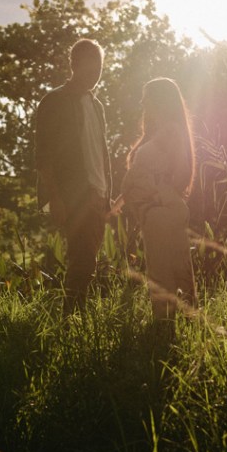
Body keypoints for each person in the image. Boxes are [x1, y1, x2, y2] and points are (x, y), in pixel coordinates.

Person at [113, 78, 197, 340]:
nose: (142, 102)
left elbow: (181, 171)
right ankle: (175, 328)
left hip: (162, 213)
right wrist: (119, 204)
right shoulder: (157, 132)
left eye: (146, 96)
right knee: (171, 269)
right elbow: (140, 176)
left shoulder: (170, 131)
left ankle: (164, 333)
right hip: (155, 215)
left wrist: (159, 197)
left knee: (162, 273)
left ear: (160, 99)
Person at [34, 38, 111, 315]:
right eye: (90, 68)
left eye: (100, 68)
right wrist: (55, 197)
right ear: (74, 65)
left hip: (98, 195)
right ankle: (69, 320)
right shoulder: (53, 101)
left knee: (87, 261)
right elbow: (43, 155)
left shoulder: (97, 106)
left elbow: (100, 154)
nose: (96, 74)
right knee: (81, 260)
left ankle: (74, 317)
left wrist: (106, 198)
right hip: (72, 195)